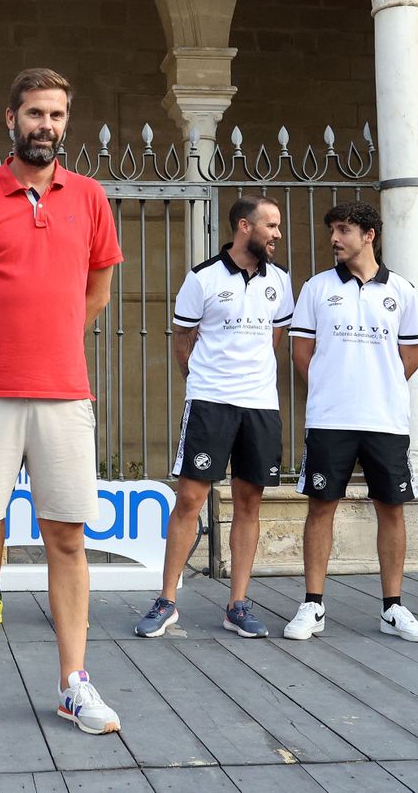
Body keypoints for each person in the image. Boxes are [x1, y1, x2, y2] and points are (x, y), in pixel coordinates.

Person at [0, 68, 123, 740]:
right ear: (10, 119)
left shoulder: (90, 197)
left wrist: (52, 336)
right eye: (35, 112)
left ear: (67, 122)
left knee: (67, 538)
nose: (47, 124)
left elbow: (98, 290)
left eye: (57, 114)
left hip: (65, 392)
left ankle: (74, 683)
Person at [135, 195, 292, 640]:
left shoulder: (280, 281)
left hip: (260, 406)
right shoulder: (201, 278)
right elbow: (182, 340)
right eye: (271, 226)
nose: (277, 235)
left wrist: (250, 380)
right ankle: (167, 600)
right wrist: (203, 382)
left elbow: (275, 338)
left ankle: (237, 604)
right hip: (209, 403)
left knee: (249, 503)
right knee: (189, 499)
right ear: (244, 227)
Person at [280, 200, 418, 644]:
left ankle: (393, 607)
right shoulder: (315, 288)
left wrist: (376, 386)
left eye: (343, 230)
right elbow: (302, 355)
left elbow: (412, 356)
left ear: (369, 235)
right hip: (330, 418)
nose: (334, 238)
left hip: (386, 419)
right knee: (321, 506)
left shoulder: (401, 291)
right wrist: (335, 387)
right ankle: (312, 604)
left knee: (392, 508)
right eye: (332, 230)